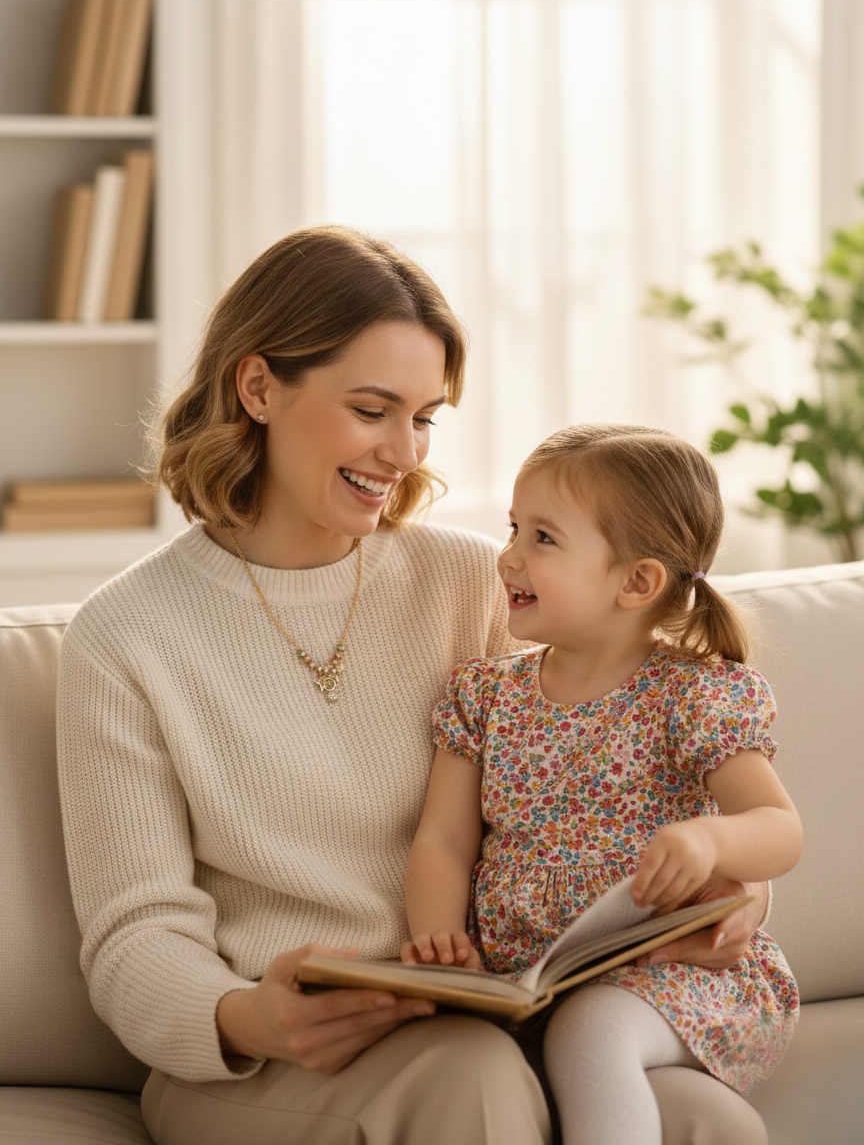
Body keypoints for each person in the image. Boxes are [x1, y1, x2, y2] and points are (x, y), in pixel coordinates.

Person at [57, 228, 769, 1145]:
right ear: (259, 386)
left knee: (703, 1118)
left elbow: (655, 766)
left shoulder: (482, 585)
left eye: (425, 417)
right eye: (371, 409)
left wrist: (731, 898)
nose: (404, 451)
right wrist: (249, 1016)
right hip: (273, 1059)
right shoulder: (124, 638)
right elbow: (134, 937)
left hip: (496, 1018)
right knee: (471, 1083)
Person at [404, 422, 802, 1145]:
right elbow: (443, 839)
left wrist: (712, 840)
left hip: (672, 977)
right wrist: (438, 938)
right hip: (528, 981)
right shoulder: (483, 697)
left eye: (543, 539)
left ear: (637, 581)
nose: (509, 557)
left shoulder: (692, 696)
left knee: (591, 1030)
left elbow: (779, 830)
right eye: (514, 527)